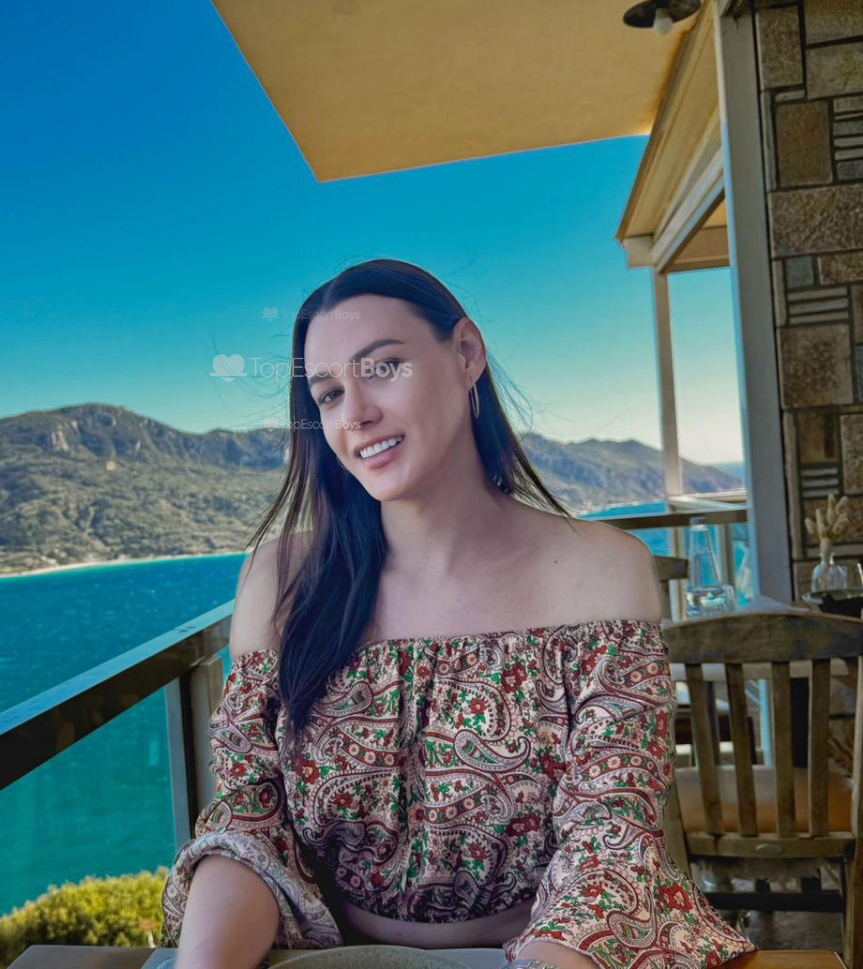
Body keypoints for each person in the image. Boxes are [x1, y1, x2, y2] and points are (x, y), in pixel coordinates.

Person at [159, 258, 758, 969]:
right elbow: (249, 824)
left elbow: (610, 836)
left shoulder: (600, 572)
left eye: (383, 367)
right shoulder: (282, 580)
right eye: (328, 393)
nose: (355, 414)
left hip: (549, 955)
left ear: (466, 353)